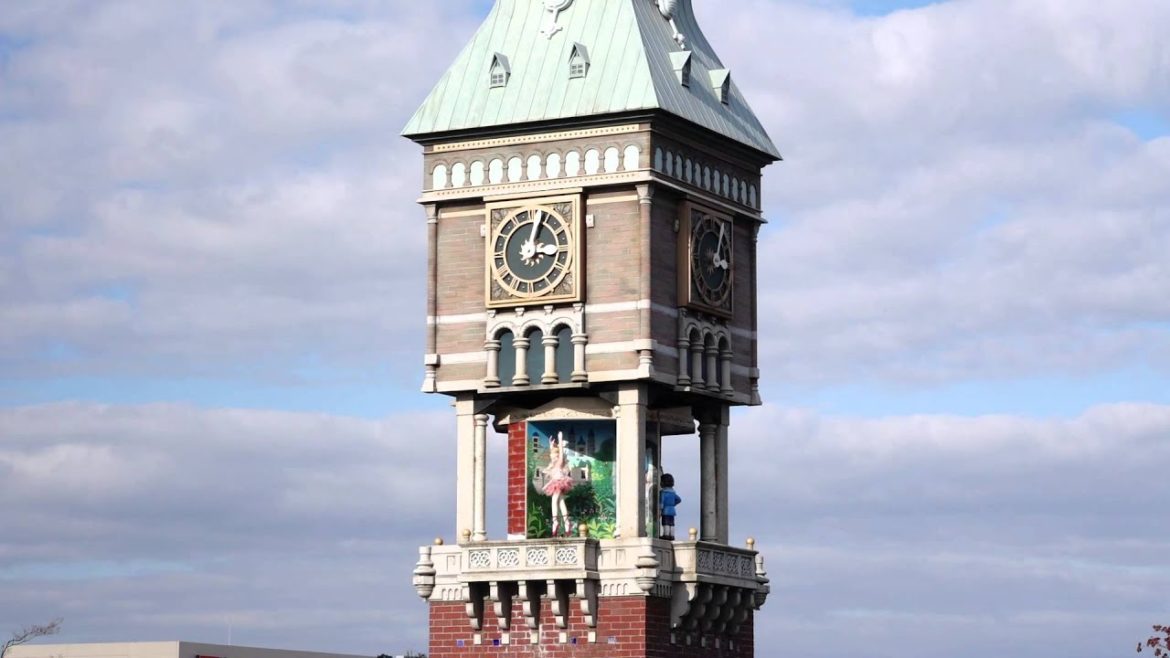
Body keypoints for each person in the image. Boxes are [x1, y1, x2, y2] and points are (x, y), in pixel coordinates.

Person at [542, 432, 575, 537]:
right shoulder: (552, 465)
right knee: (561, 502)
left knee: (554, 500)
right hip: (555, 483)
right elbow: (553, 452)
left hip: (560, 483)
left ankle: (555, 521)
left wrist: (560, 440)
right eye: (552, 456)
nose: (552, 458)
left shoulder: (559, 462)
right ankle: (566, 523)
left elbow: (560, 452)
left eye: (554, 456)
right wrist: (550, 445)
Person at [659, 473, 682, 540]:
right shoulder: (673, 492)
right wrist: (673, 504)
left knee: (665, 522)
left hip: (666, 510)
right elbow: (679, 499)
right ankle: (671, 535)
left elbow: (662, 502)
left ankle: (666, 535)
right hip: (672, 510)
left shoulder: (663, 492)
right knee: (671, 523)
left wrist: (660, 509)